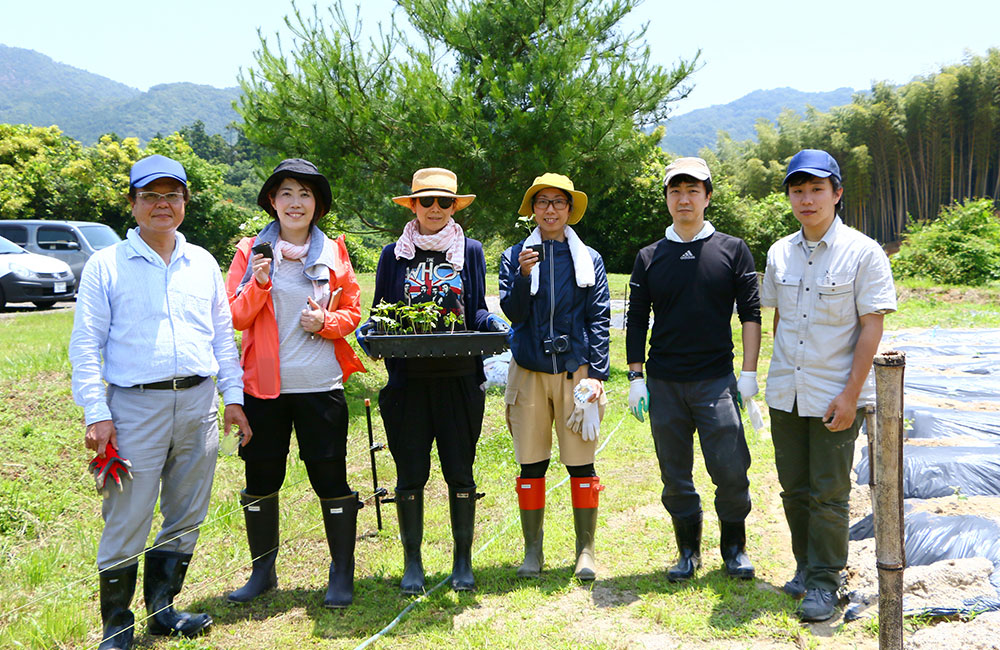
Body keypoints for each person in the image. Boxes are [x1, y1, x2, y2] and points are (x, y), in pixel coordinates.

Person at [69, 154, 251, 649]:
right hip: (133, 409)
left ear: (185, 202)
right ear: (133, 204)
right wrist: (97, 413)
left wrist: (232, 398)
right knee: (128, 515)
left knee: (187, 509)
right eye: (150, 195)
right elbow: (86, 344)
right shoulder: (106, 265)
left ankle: (164, 610)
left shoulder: (204, 263)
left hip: (198, 404)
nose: (162, 205)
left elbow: (221, 339)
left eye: (172, 195)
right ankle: (117, 625)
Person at [355, 167, 508, 593]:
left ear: (455, 206)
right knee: (410, 472)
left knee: (460, 470)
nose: (436, 209)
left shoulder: (471, 251)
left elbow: (475, 308)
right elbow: (381, 312)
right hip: (407, 380)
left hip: (460, 379)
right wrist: (369, 331)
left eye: (445, 202)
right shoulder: (394, 255)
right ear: (414, 206)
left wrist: (492, 320)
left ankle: (462, 561)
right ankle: (413, 563)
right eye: (427, 201)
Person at [224, 159, 366, 608]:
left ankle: (341, 572)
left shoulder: (334, 253)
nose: (295, 202)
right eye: (286, 193)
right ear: (272, 201)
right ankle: (262, 571)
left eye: (305, 194)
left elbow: (352, 313)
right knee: (262, 477)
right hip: (263, 390)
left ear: (317, 205)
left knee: (330, 476)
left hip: (321, 386)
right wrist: (260, 285)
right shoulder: (252, 252)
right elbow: (234, 315)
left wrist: (325, 321)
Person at [761, 149, 896, 621]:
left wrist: (850, 394)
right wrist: (771, 377)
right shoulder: (779, 252)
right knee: (793, 489)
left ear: (837, 193)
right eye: (797, 191)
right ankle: (806, 566)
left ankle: (825, 582)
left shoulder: (863, 251)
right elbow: (778, 318)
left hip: (836, 394)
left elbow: (871, 327)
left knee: (829, 492)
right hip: (785, 392)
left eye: (817, 189)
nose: (807, 199)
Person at [625, 157, 761, 583]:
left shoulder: (731, 249)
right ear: (667, 198)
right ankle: (687, 551)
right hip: (665, 383)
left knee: (732, 469)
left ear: (707, 196)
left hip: (717, 380)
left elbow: (750, 313)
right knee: (675, 474)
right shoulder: (650, 256)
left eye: (693, 191)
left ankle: (734, 549)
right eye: (675, 191)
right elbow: (635, 320)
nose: (684, 199)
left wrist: (750, 373)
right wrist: (635, 377)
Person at [498, 173, 610, 581]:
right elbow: (514, 314)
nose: (549, 210)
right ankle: (533, 551)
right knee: (532, 463)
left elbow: (598, 317)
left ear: (569, 209)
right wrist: (523, 277)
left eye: (558, 203)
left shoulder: (588, 258)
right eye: (541, 202)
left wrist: (597, 373)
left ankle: (585, 551)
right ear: (532, 209)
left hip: (575, 372)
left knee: (581, 463)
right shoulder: (515, 255)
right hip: (528, 369)